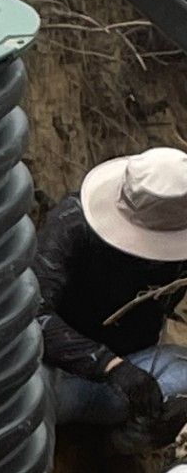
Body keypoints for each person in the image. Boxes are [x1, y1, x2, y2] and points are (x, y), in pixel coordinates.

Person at [35, 147, 187, 453]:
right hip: (56, 374)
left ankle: (116, 451)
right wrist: (109, 365)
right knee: (29, 394)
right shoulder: (72, 224)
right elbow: (33, 314)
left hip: (134, 375)